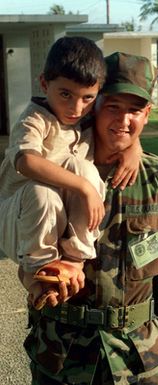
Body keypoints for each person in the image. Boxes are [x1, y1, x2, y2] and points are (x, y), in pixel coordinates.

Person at [22, 52, 158, 385]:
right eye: (112, 106)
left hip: (140, 358)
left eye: (135, 109)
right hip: (61, 355)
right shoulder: (56, 164)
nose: (123, 120)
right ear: (93, 107)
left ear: (147, 114)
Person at [0, 38, 141, 308]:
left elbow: (123, 128)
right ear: (44, 84)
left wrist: (133, 146)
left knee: (81, 167)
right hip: (15, 220)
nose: (76, 108)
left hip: (53, 222)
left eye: (88, 98)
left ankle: (74, 260)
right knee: (45, 190)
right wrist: (84, 188)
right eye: (65, 94)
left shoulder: (86, 120)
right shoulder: (34, 119)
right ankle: (39, 274)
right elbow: (27, 162)